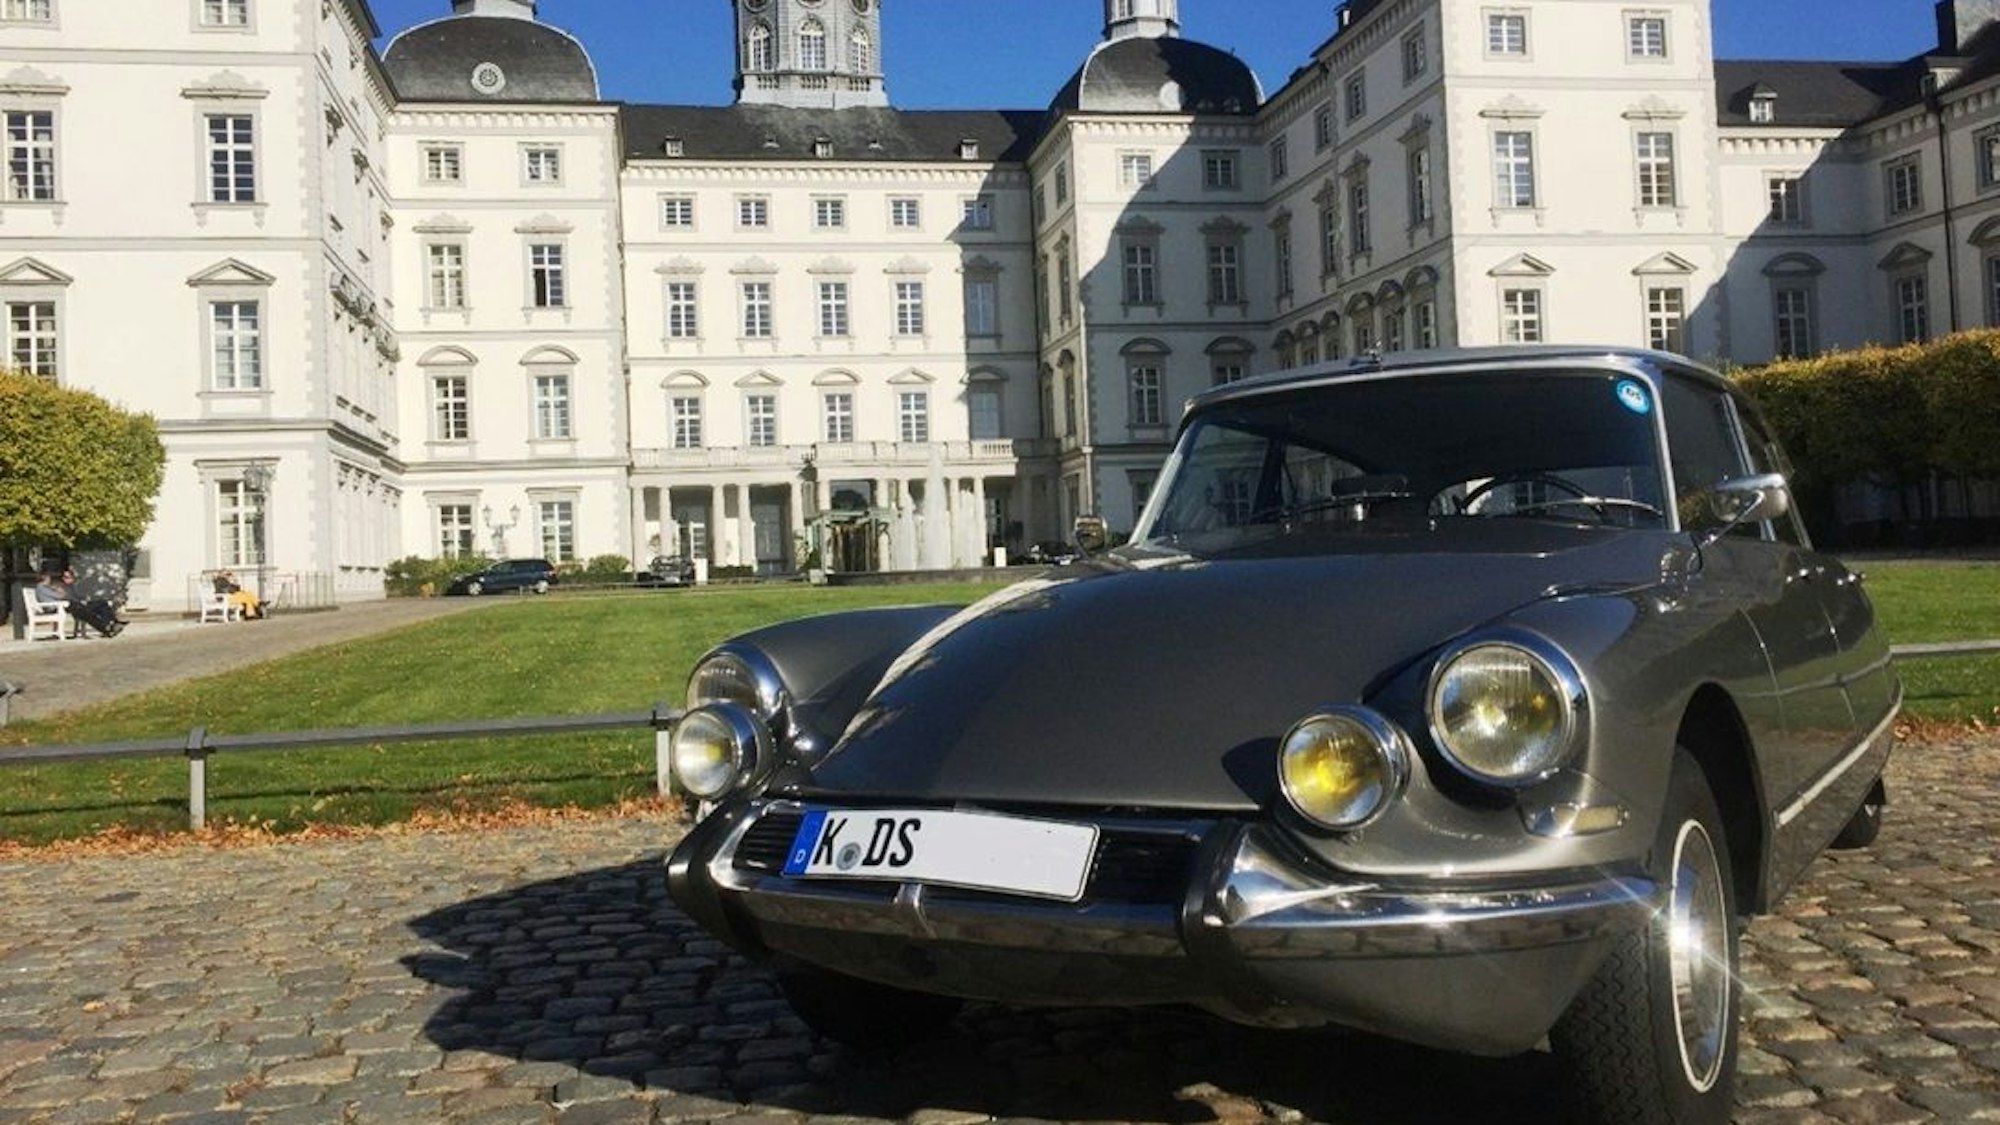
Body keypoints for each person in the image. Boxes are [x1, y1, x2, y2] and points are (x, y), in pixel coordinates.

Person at [34, 566, 123, 638]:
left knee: (98, 605)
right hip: (58, 607)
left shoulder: (47, 587)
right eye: (48, 577)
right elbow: (60, 596)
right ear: (44, 578)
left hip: (67, 605)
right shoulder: (42, 587)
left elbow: (69, 596)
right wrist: (60, 592)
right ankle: (107, 627)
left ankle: (110, 625)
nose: (50, 579)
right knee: (87, 612)